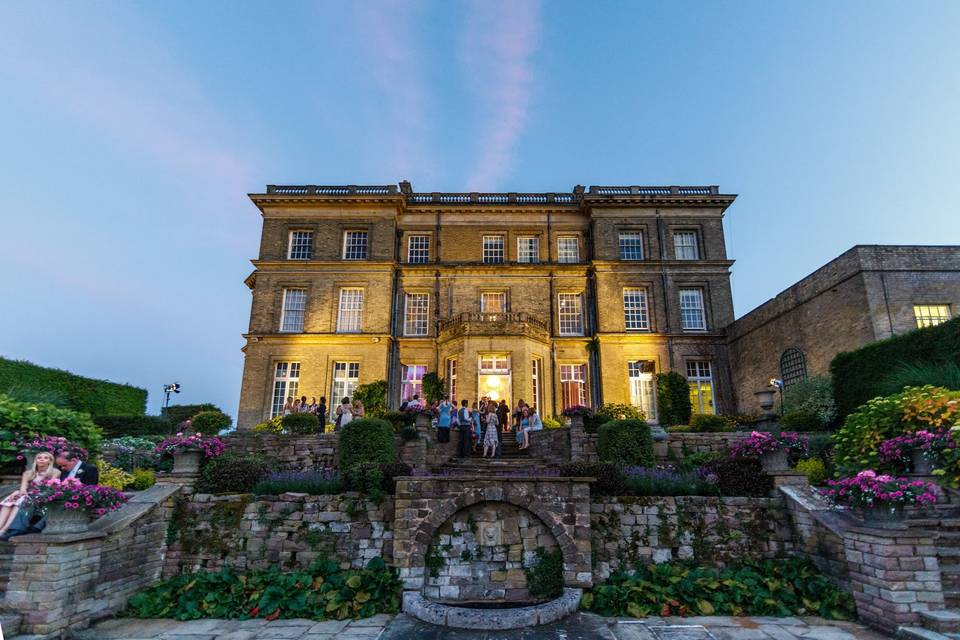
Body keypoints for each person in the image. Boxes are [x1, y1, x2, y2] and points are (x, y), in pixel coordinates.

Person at [0, 452, 60, 535]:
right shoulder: (28, 473)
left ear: (50, 461)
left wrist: (24, 494)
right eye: (39, 458)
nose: (42, 459)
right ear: (36, 460)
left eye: (46, 458)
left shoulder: (55, 472)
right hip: (28, 495)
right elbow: (23, 489)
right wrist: (17, 492)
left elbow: (49, 489)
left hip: (43, 497)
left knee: (22, 500)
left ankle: (5, 529)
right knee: (10, 500)